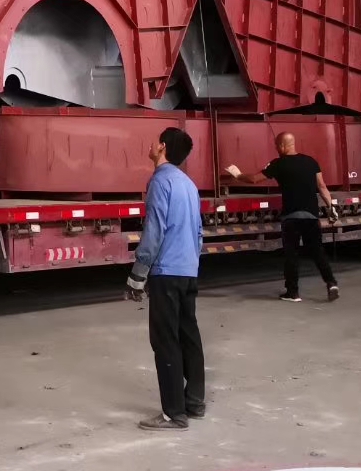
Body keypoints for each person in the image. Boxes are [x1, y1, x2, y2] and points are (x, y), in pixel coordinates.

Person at [125, 126, 205, 431]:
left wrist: (138, 273)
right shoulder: (189, 184)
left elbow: (154, 229)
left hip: (167, 272)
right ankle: (194, 402)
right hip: (188, 270)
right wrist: (190, 262)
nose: (150, 145)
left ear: (162, 147)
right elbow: (199, 232)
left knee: (165, 340)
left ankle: (174, 414)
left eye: (154, 142)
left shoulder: (160, 181)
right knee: (188, 335)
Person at [223, 131, 341, 302]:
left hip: (291, 217)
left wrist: (238, 175)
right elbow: (322, 187)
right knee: (317, 252)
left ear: (283, 145)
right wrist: (331, 207)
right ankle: (331, 284)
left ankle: (293, 293)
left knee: (292, 255)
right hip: (311, 216)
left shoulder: (278, 164)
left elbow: (255, 179)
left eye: (277, 146)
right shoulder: (311, 162)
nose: (276, 149)